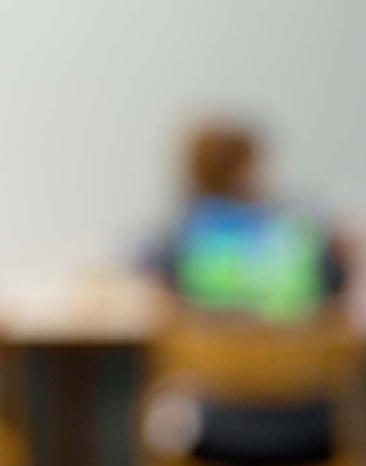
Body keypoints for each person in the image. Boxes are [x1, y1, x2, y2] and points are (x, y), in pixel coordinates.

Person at [147, 119, 348, 322]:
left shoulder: (180, 232)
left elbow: (156, 296)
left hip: (208, 348)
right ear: (244, 170)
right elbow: (335, 292)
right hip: (295, 346)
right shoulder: (298, 228)